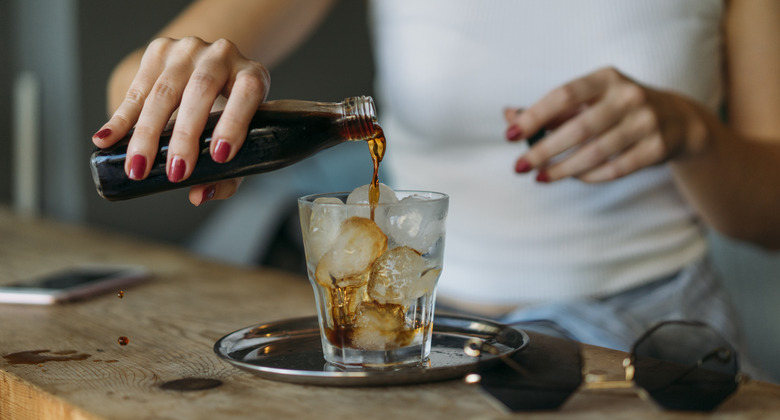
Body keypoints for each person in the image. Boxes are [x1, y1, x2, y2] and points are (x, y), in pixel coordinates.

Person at [92, 0, 780, 376]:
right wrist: (188, 81)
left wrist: (695, 132)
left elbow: (770, 216)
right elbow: (130, 90)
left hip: (661, 336)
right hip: (429, 339)